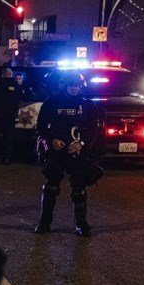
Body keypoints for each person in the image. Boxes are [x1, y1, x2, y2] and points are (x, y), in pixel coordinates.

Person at [33, 71, 100, 236]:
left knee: (79, 189)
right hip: (57, 151)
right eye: (71, 85)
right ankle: (44, 223)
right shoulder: (52, 102)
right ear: (64, 85)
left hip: (77, 151)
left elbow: (93, 129)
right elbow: (40, 126)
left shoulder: (87, 105)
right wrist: (51, 140)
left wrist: (81, 143)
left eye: (77, 86)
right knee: (51, 188)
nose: (74, 89)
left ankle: (81, 224)